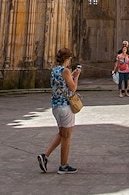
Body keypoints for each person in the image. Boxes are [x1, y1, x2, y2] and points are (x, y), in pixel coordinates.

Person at [37, 47, 81, 175]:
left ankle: (44, 155)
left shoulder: (54, 70)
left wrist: (70, 76)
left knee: (62, 133)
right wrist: (76, 77)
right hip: (65, 106)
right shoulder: (65, 70)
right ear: (67, 59)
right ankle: (63, 165)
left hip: (55, 106)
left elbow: (61, 84)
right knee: (67, 136)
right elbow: (72, 88)